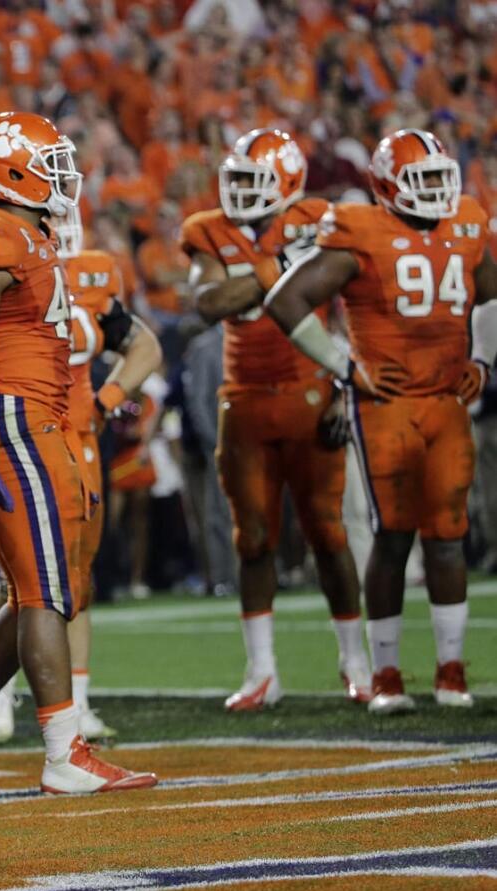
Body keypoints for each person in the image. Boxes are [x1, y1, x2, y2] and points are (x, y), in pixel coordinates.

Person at [0, 111, 156, 800]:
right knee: (43, 592)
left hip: (42, 416)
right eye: (47, 163)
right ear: (10, 171)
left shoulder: (30, 233)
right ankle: (62, 750)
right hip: (15, 417)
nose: (60, 176)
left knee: (42, 592)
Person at [267, 128, 497, 714]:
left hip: (446, 400)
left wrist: (483, 359)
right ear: (387, 184)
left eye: (441, 178)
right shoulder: (360, 229)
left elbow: (491, 296)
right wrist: (346, 365)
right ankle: (388, 673)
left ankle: (450, 671)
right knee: (393, 534)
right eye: (422, 180)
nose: (437, 193)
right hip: (387, 403)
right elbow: (286, 299)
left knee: (449, 537)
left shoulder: (467, 221)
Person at [183, 128, 369, 710]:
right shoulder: (207, 229)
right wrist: (276, 267)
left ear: (288, 183)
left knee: (327, 531)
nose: (239, 192)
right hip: (244, 398)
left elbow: (351, 304)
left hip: (310, 390)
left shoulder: (320, 218)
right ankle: (262, 670)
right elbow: (210, 303)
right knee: (253, 538)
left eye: (252, 181)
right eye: (235, 179)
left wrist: (345, 384)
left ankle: (355, 661)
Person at [0, 204, 163, 744]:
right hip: (26, 428)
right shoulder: (11, 265)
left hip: (77, 435)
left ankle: (75, 703)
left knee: (76, 576)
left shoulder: (92, 275)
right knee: (27, 575)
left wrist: (104, 404)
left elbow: (144, 347)